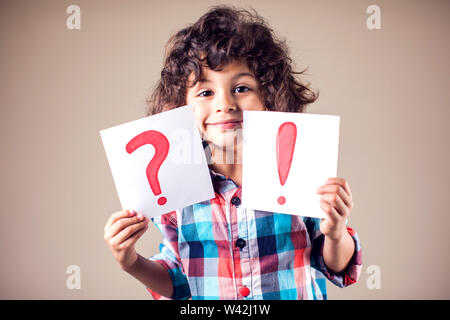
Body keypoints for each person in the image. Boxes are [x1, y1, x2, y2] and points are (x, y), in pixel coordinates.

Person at [103, 5, 362, 300]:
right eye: (205, 92)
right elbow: (178, 281)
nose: (224, 103)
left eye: (241, 88)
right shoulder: (177, 192)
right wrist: (130, 262)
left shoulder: (300, 175)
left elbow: (336, 265)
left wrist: (335, 233)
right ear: (180, 108)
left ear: (270, 96)